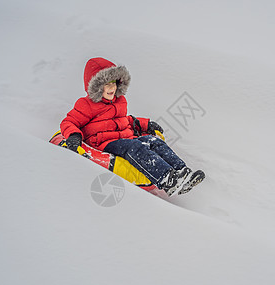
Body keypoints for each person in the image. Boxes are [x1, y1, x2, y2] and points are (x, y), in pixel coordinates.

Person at [60, 57, 204, 196]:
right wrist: (73, 135)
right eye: (107, 84)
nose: (112, 87)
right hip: (104, 143)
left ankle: (182, 172)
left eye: (114, 83)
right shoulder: (86, 104)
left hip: (125, 137)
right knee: (134, 147)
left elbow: (126, 120)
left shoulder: (120, 101)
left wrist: (145, 124)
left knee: (153, 141)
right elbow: (69, 122)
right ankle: (167, 180)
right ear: (96, 87)